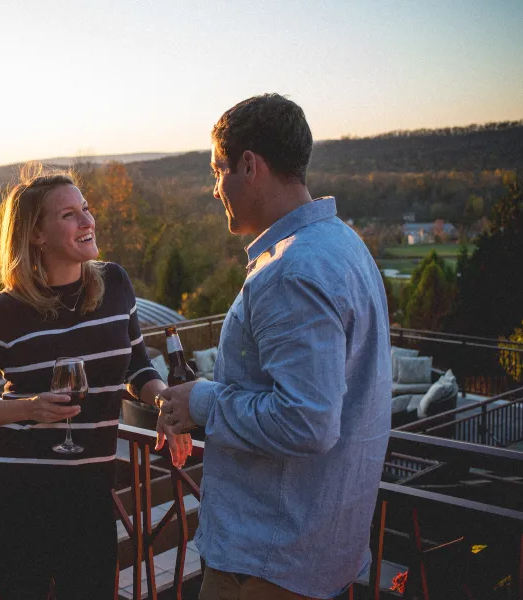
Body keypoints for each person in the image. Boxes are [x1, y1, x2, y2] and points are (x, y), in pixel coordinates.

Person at [156, 94, 391, 599]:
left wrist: (201, 401)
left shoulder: (292, 271)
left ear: (249, 165)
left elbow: (306, 420)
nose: (214, 187)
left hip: (267, 563)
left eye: (217, 170)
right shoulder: (343, 245)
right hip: (312, 550)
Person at [0, 165, 192, 600]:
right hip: (17, 493)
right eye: (68, 215)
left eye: (86, 209)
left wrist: (164, 405)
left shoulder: (115, 284)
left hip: (89, 490)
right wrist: (28, 408)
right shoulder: (4, 311)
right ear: (36, 235)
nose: (87, 221)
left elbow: (138, 368)